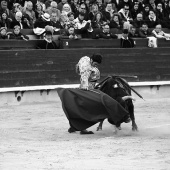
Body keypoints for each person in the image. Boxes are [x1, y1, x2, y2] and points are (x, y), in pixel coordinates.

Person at [57, 53, 131, 135]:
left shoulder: (85, 58)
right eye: (95, 64)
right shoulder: (87, 67)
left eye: (97, 65)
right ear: (92, 60)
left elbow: (77, 68)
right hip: (88, 89)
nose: (96, 66)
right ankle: (123, 115)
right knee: (104, 100)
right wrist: (86, 87)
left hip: (91, 87)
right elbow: (84, 77)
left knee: (85, 109)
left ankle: (75, 127)